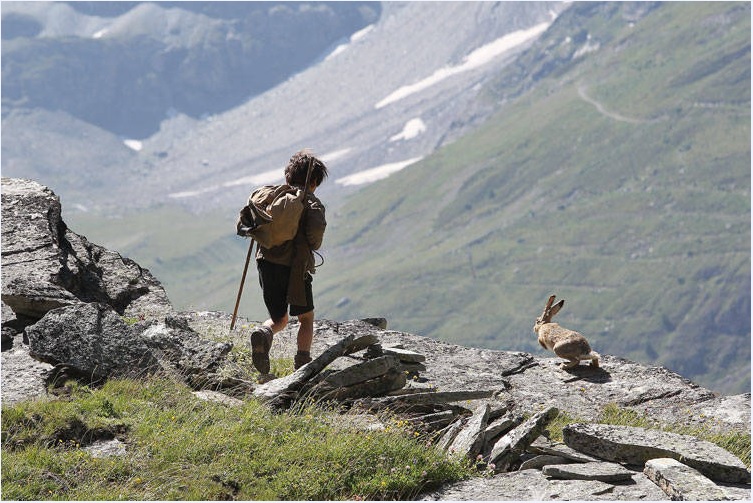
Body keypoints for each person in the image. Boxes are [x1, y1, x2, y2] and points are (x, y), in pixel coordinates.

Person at [249, 149, 328, 380]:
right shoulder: (311, 202)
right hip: (295, 268)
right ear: (314, 182)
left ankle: (263, 332)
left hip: (265, 263)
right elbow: (315, 237)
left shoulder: (272, 196)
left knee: (278, 319)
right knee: (306, 318)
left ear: (287, 177)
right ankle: (303, 363)